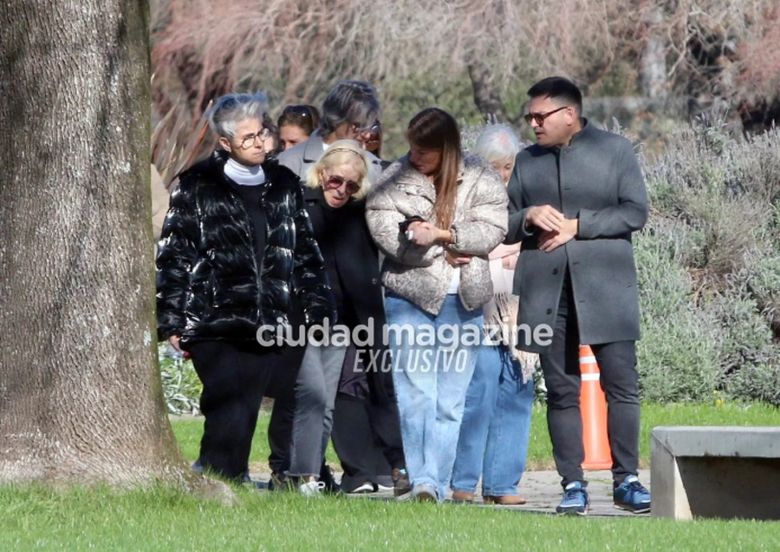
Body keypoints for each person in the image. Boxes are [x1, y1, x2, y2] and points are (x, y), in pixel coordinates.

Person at [156, 92, 335, 483]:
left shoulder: (284, 183)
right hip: (213, 316)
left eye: (262, 134)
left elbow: (305, 251)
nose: (259, 143)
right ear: (225, 143)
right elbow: (175, 253)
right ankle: (220, 475)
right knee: (227, 402)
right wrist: (170, 317)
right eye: (248, 138)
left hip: (272, 316)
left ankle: (222, 476)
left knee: (249, 404)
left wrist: (318, 307)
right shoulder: (197, 183)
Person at [505, 76, 651, 515]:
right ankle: (573, 485)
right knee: (561, 391)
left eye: (540, 116)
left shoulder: (616, 151)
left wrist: (578, 226)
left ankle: (627, 481)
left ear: (570, 114)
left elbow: (635, 212)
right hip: (545, 291)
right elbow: (504, 222)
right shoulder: (526, 161)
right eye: (529, 117)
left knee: (621, 386)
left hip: (607, 289)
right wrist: (528, 215)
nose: (533, 124)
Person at [366, 107, 508, 502]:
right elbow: (380, 223)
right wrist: (428, 249)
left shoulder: (480, 175)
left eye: (424, 152)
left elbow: (494, 226)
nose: (415, 157)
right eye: (412, 148)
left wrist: (445, 236)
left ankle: (438, 484)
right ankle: (423, 480)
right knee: (415, 394)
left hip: (463, 301)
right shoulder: (394, 175)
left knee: (450, 399)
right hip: (408, 297)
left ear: (447, 150)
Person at [284, 139, 407, 496]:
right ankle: (302, 473)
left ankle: (311, 476)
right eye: (336, 180)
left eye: (352, 185)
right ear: (321, 174)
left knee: (329, 402)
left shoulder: (361, 211)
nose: (342, 190)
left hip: (347, 318)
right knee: (313, 394)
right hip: (304, 317)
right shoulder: (298, 205)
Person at [450, 124, 536, 505]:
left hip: (520, 308)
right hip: (476, 307)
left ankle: (503, 485)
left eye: (507, 166)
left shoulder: (526, 194)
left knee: (517, 387)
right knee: (479, 389)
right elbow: (459, 246)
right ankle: (462, 481)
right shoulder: (462, 195)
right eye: (494, 166)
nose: (501, 174)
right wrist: (504, 251)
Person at [278, 80, 384, 180]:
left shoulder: (375, 168)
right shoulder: (290, 163)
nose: (367, 135)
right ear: (336, 119)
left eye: (369, 127)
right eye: (357, 126)